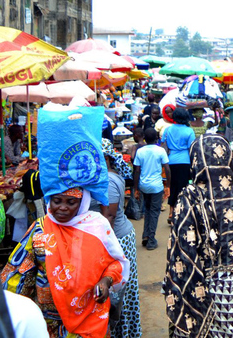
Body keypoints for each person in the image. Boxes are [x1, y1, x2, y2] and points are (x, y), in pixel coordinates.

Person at [164, 134, 233, 338]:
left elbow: (182, 247)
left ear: (196, 160)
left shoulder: (189, 195)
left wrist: (176, 282)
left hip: (198, 283)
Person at [1, 187, 129, 337]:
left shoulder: (96, 227)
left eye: (71, 202)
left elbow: (116, 262)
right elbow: (18, 273)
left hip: (90, 317)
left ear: (82, 203)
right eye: (56, 201)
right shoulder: (39, 229)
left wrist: (106, 281)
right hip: (49, 321)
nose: (62, 207)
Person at [101, 141, 142, 338]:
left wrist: (102, 249)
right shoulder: (102, 177)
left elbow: (108, 216)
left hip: (116, 239)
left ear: (106, 158)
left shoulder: (108, 180)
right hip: (114, 237)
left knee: (119, 290)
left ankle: (123, 333)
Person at [133, 127, 170, 250]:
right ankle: (151, 240)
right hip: (156, 186)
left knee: (147, 210)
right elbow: (167, 169)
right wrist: (168, 186)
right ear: (156, 138)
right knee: (154, 212)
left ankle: (146, 236)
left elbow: (137, 171)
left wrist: (136, 189)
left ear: (144, 137)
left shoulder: (140, 151)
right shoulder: (160, 151)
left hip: (144, 185)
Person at [162, 107, 196, 223]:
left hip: (170, 162)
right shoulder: (189, 131)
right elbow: (191, 148)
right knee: (183, 188)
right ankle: (180, 212)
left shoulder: (167, 130)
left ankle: (171, 212)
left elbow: (164, 146)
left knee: (172, 187)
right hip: (185, 162)